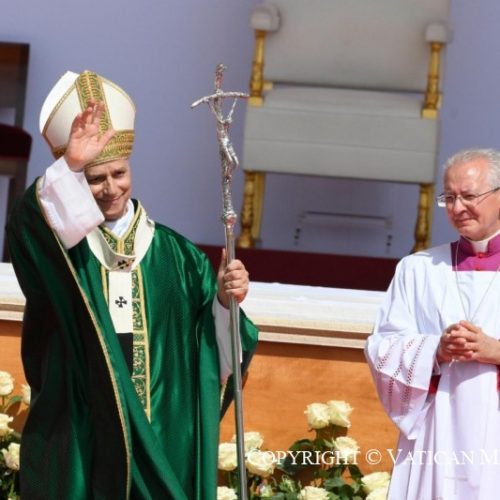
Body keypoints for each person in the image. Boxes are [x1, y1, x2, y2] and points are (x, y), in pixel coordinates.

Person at [6, 70, 258, 500]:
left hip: (160, 432)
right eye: (94, 178)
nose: (110, 189)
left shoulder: (179, 257)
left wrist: (222, 300)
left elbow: (209, 351)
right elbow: (28, 230)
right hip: (82, 428)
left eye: (118, 173)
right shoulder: (67, 254)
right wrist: (70, 166)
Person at [365, 148, 500, 499]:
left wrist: (495, 350)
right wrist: (434, 350)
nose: (457, 208)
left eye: (468, 196)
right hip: (438, 429)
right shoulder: (419, 269)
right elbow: (382, 345)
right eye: (449, 198)